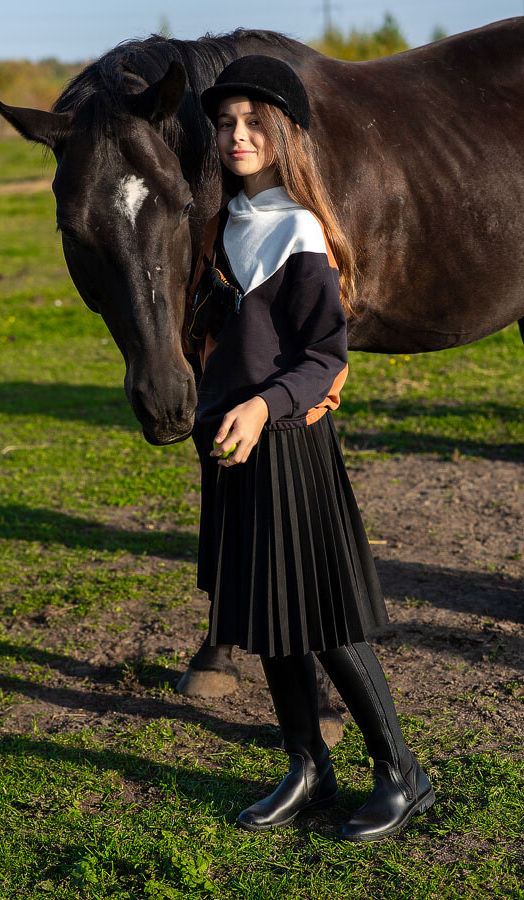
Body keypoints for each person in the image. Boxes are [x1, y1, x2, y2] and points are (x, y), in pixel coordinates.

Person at [187, 54, 435, 842]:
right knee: (263, 613)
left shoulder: (297, 230)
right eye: (225, 123)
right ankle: (305, 765)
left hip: (290, 441)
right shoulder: (217, 227)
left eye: (254, 121)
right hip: (232, 445)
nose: (237, 134)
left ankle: (401, 771)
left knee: (324, 618)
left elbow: (324, 358)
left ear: (284, 132)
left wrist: (263, 407)